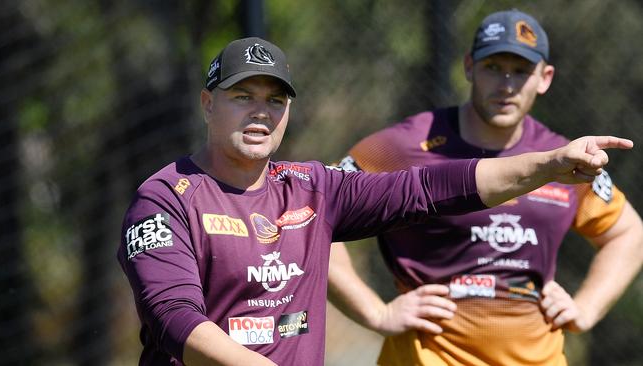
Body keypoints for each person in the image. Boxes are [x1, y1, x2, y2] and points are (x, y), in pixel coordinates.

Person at [116, 36, 633, 366]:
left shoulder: (312, 187)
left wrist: (545, 165)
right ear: (209, 104)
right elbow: (173, 316)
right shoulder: (163, 199)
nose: (261, 113)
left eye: (275, 100)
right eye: (242, 96)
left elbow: (430, 188)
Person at [327, 9, 643, 366]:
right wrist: (375, 313)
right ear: (468, 67)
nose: (506, 84)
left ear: (545, 78)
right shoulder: (404, 147)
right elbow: (314, 215)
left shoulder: (562, 158)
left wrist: (585, 308)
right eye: (493, 67)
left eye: (521, 71)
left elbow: (628, 233)